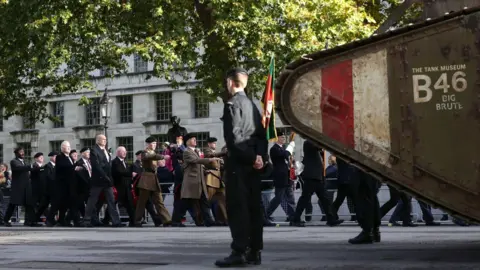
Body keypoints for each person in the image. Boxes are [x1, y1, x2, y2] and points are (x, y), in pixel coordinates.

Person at [215, 67, 268, 267]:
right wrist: (260, 157)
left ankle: (239, 250)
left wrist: (250, 157)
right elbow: (262, 135)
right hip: (254, 166)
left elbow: (233, 139)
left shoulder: (231, 105)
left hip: (239, 164)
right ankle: (255, 250)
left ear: (230, 82)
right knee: (254, 207)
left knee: (238, 208)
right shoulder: (252, 106)